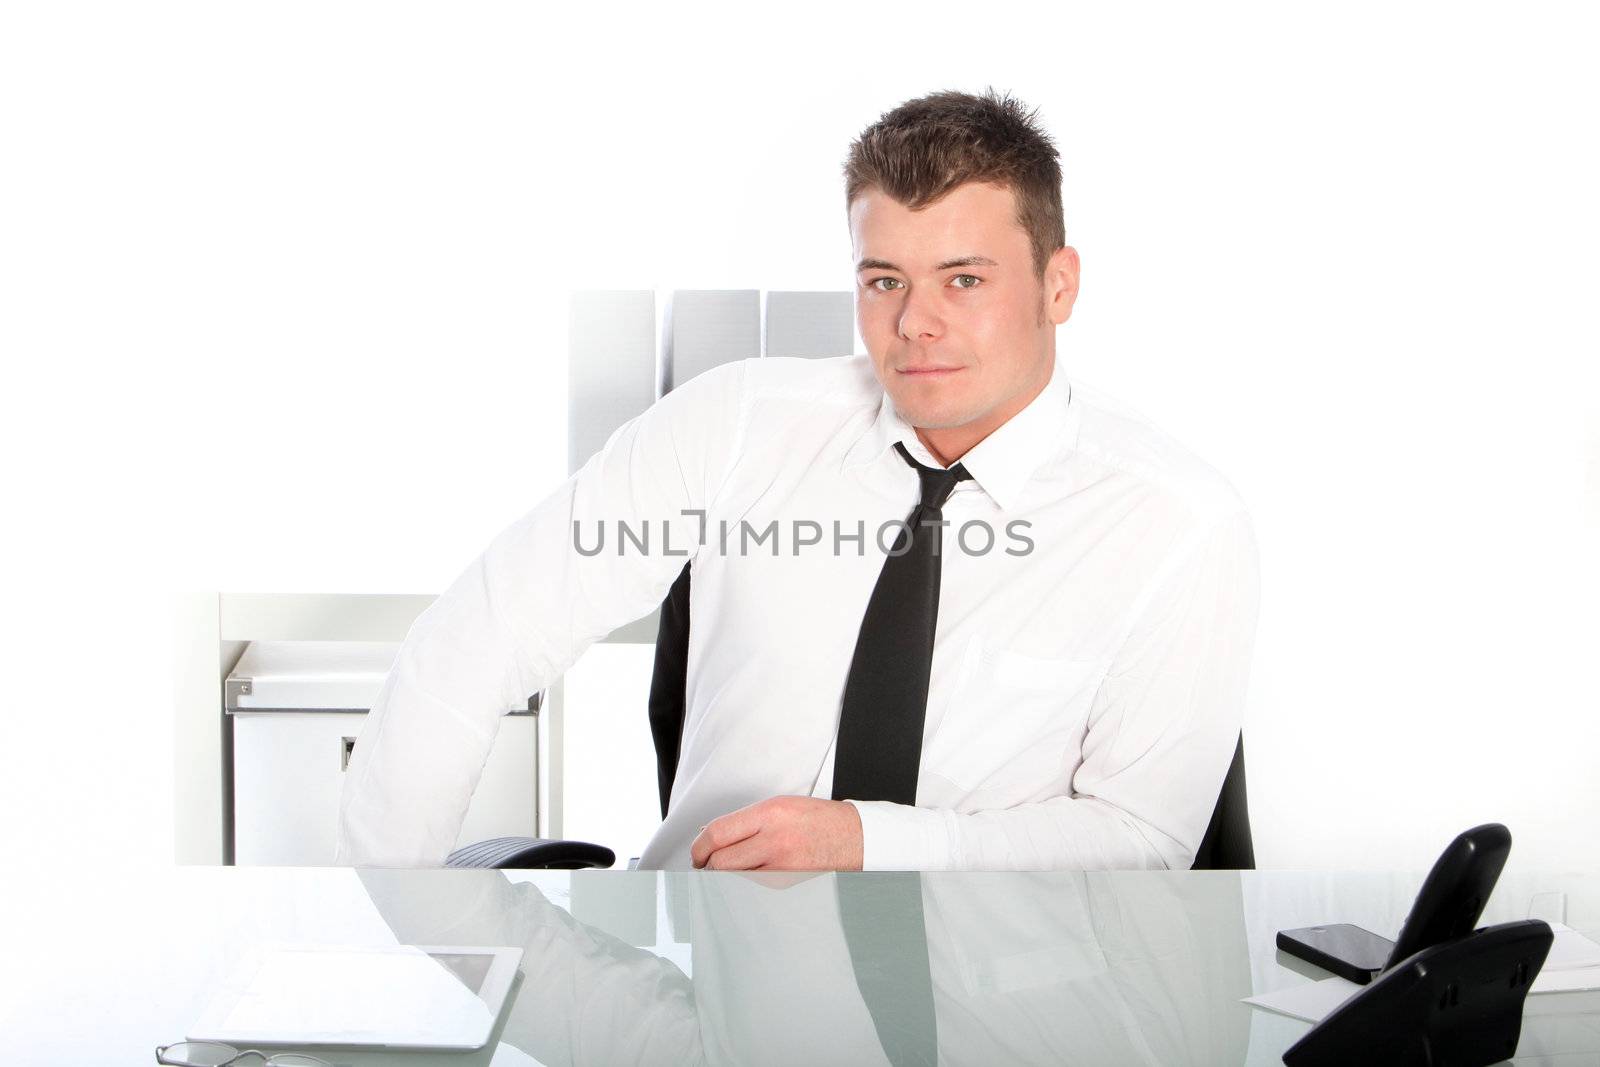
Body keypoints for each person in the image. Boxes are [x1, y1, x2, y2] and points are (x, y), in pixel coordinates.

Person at [335, 87, 1261, 872]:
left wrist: (872, 842)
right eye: (884, 279)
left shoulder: (1176, 523)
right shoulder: (738, 423)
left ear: (1058, 285)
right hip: (709, 975)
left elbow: (1142, 839)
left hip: (998, 1006)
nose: (916, 324)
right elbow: (482, 631)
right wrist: (394, 917)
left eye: (965, 280)